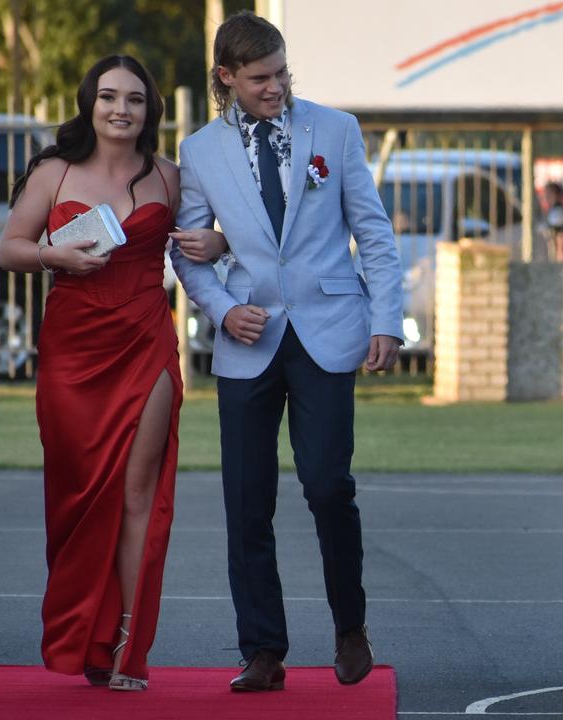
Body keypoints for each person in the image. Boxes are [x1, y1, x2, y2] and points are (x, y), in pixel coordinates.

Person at [168, 11, 403, 691]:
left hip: (330, 329)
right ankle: (263, 651)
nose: (276, 88)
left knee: (329, 485)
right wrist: (219, 308)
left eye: (282, 73)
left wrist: (387, 319)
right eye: (260, 78)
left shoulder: (335, 129)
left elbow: (375, 233)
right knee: (247, 500)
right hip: (246, 342)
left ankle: (350, 626)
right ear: (227, 78)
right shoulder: (199, 151)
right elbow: (188, 253)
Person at [0, 55, 181, 692]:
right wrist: (54, 255)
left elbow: (201, 246)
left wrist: (213, 244)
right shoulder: (56, 171)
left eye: (134, 98)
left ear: (149, 108)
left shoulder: (168, 177)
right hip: (74, 350)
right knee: (78, 495)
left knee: (137, 494)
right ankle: (84, 634)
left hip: (146, 340)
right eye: (108, 97)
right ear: (89, 103)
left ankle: (126, 650)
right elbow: (9, 247)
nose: (120, 109)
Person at [543, 181, 563, 261]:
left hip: (559, 257)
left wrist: (560, 258)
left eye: (547, 193)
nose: (545, 196)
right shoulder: (553, 211)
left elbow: (561, 237)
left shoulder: (558, 212)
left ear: (554, 194)